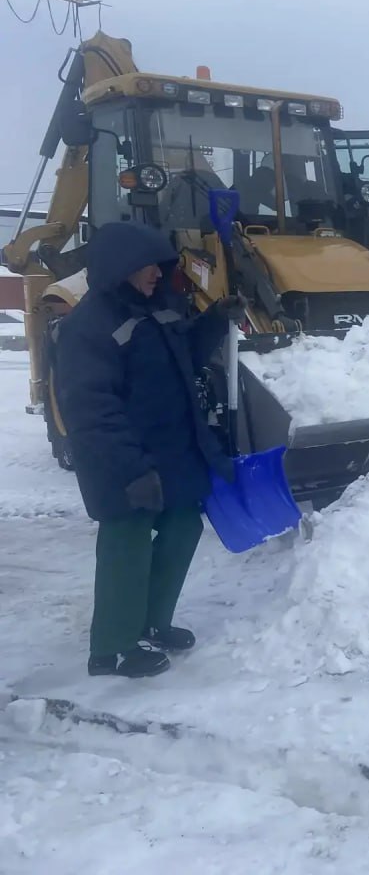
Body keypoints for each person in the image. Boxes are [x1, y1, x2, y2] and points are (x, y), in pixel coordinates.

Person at [55, 221, 243, 677]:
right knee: (127, 545)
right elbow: (90, 409)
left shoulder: (159, 308)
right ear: (120, 267)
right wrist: (130, 468)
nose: (159, 273)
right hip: (124, 459)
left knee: (182, 529)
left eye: (161, 264)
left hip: (172, 453)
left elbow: (186, 356)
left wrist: (214, 320)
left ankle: (152, 623)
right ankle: (113, 648)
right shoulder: (89, 327)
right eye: (149, 266)